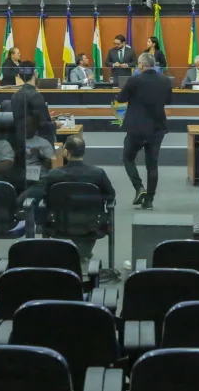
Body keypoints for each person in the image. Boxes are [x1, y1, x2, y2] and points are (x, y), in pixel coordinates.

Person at [20, 136, 114, 264]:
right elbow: (110, 196)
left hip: (58, 224)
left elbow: (46, 198)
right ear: (83, 151)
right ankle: (82, 251)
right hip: (93, 224)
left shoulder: (53, 175)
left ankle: (77, 252)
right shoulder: (98, 173)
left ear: (66, 152)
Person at [117, 53, 173, 209]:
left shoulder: (135, 80)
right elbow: (168, 101)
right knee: (152, 165)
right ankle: (149, 200)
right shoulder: (165, 80)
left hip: (136, 127)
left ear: (141, 64)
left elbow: (121, 98)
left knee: (128, 158)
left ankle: (139, 187)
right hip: (157, 127)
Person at [10, 61, 51, 142]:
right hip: (35, 140)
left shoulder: (15, 95)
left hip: (19, 140)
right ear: (35, 73)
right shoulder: (36, 96)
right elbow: (43, 124)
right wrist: (55, 125)